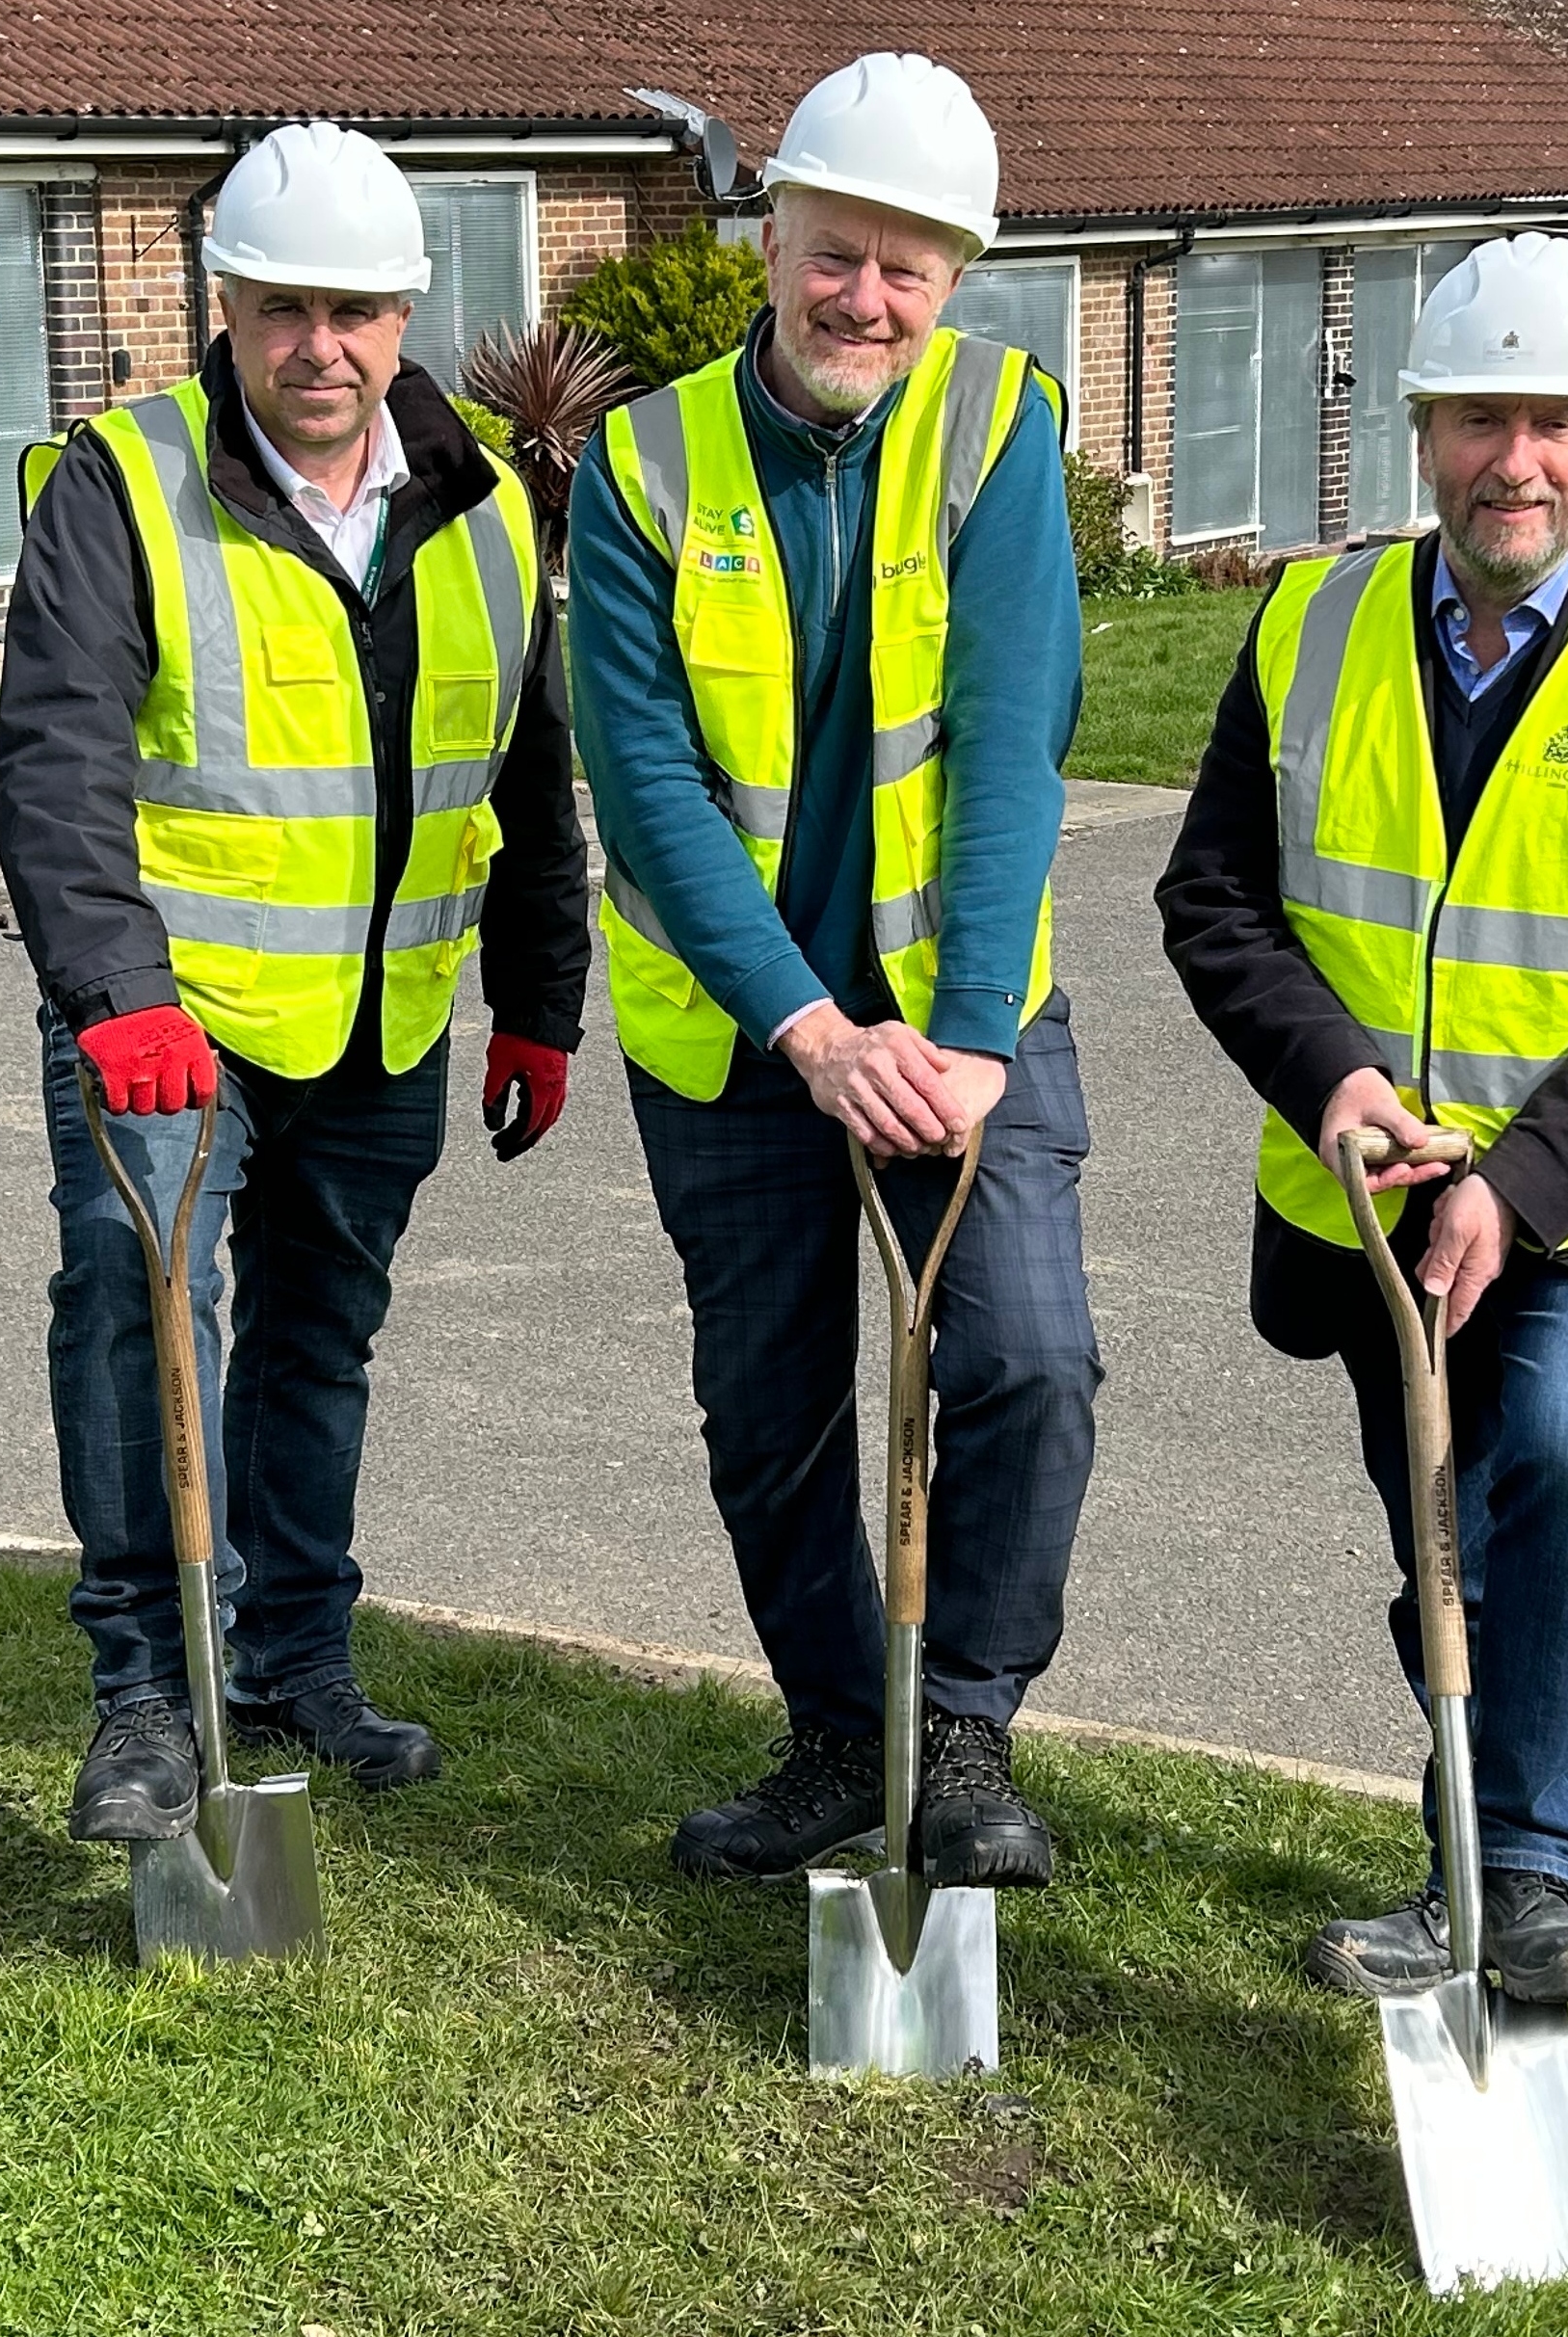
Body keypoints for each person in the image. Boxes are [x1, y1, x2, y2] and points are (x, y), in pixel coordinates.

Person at [1155, 234, 1568, 2005]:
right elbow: (1212, 900)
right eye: (1481, 419)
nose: (1518, 460)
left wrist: (1510, 1188)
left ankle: (1526, 1873)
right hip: (1369, 1192)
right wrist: (1341, 1086)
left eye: (1560, 423)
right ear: (1422, 431)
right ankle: (1467, 1865)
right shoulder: (1309, 622)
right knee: (1444, 1529)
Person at [0, 121, 588, 1842]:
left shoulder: (477, 505)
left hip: (384, 1016)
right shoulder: (125, 479)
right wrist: (114, 992)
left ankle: (293, 1656)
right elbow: (55, 761)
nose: (317, 346)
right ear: (225, 307)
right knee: (137, 1307)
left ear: (404, 316)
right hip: (165, 1020)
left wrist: (540, 1000)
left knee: (319, 1340)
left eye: (353, 311)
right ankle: (144, 1695)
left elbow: (529, 774)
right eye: (280, 309)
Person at [565, 54, 1099, 1888]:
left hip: (962, 1020)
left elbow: (1015, 735)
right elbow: (639, 781)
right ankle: (828, 1733)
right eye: (834, 254)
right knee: (773, 1408)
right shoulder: (642, 460)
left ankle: (956, 1731)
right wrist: (801, 1022)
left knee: (1030, 1359)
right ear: (769, 233)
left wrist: (955, 1046)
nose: (862, 299)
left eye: (908, 269)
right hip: (737, 1033)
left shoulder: (995, 423)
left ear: (954, 278)